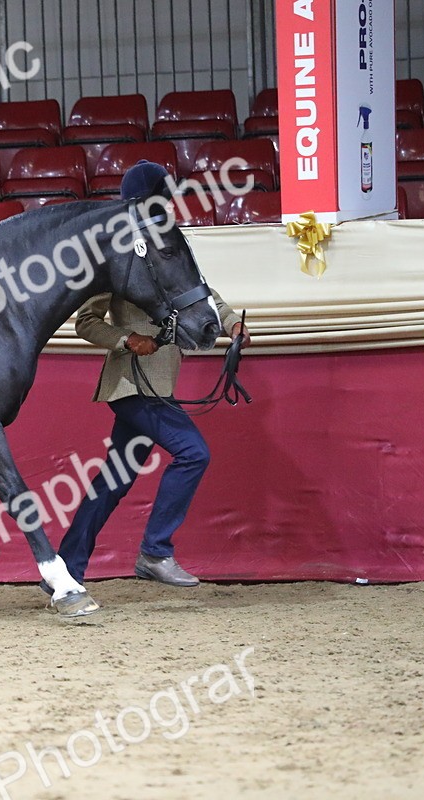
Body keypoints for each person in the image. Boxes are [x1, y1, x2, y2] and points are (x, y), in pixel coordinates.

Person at [52, 161, 251, 618]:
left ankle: (65, 569)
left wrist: (230, 320)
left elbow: (201, 292)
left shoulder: (170, 244)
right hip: (132, 383)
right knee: (194, 453)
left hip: (159, 383)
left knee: (112, 483)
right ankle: (155, 552)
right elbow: (85, 322)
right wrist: (127, 339)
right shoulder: (119, 254)